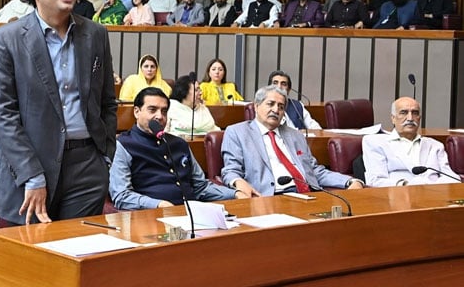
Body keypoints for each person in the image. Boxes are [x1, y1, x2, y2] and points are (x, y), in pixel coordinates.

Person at [0, 0, 117, 225]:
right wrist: (31, 174)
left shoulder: (96, 34)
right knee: (29, 260)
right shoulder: (5, 39)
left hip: (86, 166)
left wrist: (105, 157)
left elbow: (107, 102)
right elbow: (3, 116)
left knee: (78, 257)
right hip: (28, 165)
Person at [221, 85, 363, 198]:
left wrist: (349, 181)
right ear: (256, 106)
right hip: (268, 197)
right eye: (270, 104)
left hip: (306, 195)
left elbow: (314, 171)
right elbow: (230, 171)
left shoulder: (295, 135)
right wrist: (238, 183)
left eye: (281, 107)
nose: (276, 110)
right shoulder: (237, 132)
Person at [109, 87, 234, 210]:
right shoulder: (123, 145)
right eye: (152, 110)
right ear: (137, 112)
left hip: (193, 214)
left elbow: (200, 187)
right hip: (151, 218)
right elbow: (122, 196)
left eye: (164, 111)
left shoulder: (179, 143)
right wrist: (158, 205)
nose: (159, 116)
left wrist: (235, 194)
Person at [362, 97, 459, 187]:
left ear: (419, 118)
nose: (410, 118)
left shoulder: (435, 145)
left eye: (415, 113)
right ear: (393, 118)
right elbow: (375, 181)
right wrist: (406, 185)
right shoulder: (376, 142)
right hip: (397, 197)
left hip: (434, 196)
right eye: (403, 112)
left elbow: (452, 178)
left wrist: (430, 186)